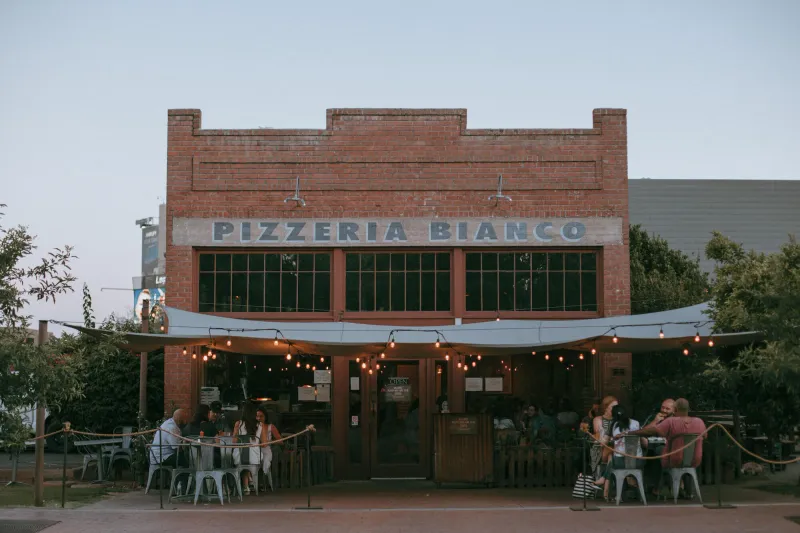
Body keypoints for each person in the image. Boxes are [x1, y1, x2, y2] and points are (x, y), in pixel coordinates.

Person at [620, 398, 706, 470]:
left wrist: (629, 433)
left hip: (674, 457)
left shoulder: (671, 421)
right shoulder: (699, 421)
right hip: (694, 460)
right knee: (656, 452)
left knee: (658, 453)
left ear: (674, 410)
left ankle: (655, 488)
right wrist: (655, 421)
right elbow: (704, 436)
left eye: (667, 409)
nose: (664, 410)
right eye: (662, 407)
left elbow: (647, 432)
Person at [593, 405, 648, 499]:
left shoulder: (614, 425)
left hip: (621, 462)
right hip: (638, 462)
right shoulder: (636, 423)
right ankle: (620, 493)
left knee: (612, 459)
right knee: (613, 458)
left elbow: (603, 443)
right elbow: (645, 442)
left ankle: (605, 482)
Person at [233, 402, 266, 495]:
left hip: (239, 457)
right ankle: (250, 481)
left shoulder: (238, 424)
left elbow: (234, 441)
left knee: (244, 457)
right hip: (255, 457)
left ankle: (246, 485)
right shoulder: (260, 425)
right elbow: (264, 444)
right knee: (249, 458)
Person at [591, 396, 618, 478]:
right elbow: (600, 435)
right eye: (613, 407)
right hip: (601, 450)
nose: (615, 409)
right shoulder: (598, 419)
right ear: (606, 407)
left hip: (616, 449)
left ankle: (605, 481)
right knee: (610, 449)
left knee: (612, 453)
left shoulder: (618, 420)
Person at [256, 405, 282, 482]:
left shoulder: (271, 426)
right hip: (256, 449)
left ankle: (264, 479)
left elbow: (281, 441)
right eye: (257, 416)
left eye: (261, 416)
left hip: (267, 449)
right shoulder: (254, 426)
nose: (259, 418)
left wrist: (269, 442)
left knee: (266, 459)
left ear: (265, 417)